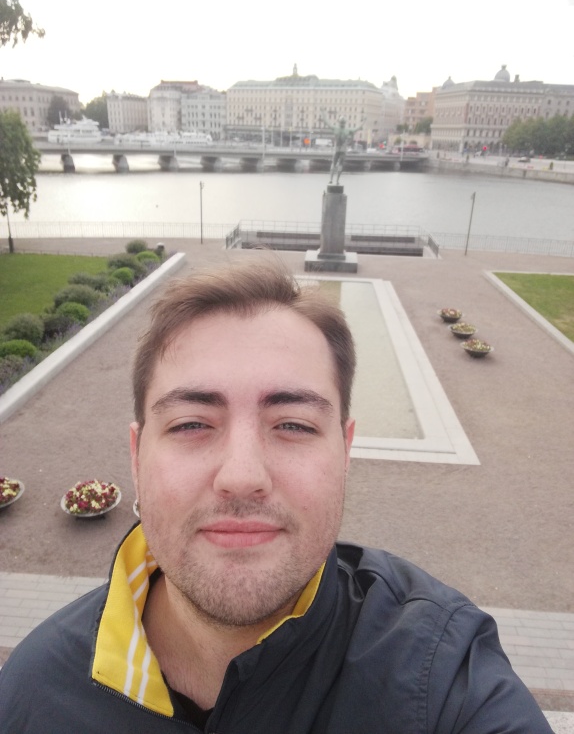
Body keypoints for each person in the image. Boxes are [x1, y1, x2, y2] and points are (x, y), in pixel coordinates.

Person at [0, 259, 551, 733]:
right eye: (191, 424)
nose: (242, 476)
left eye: (293, 425)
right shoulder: (29, 696)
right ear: (136, 456)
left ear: (345, 450)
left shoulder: (441, 678)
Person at [322, 113, 364, 184]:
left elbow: (326, 122)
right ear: (345, 122)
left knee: (333, 163)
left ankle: (331, 179)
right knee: (340, 164)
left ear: (339, 122)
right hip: (343, 149)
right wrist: (364, 121)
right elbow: (358, 128)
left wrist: (323, 112)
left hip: (336, 148)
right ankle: (337, 181)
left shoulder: (335, 129)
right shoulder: (347, 130)